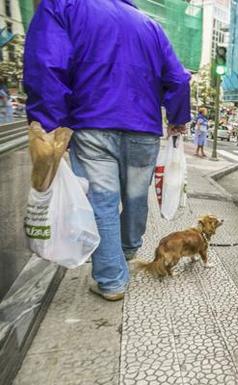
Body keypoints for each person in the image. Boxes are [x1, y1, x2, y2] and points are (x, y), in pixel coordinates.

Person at [24, 0, 191, 301]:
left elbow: (46, 65)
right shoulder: (150, 24)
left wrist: (49, 124)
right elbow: (178, 78)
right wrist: (178, 118)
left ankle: (112, 280)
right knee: (137, 197)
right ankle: (125, 251)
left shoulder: (62, 6)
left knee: (102, 202)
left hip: (92, 123)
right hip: (144, 128)